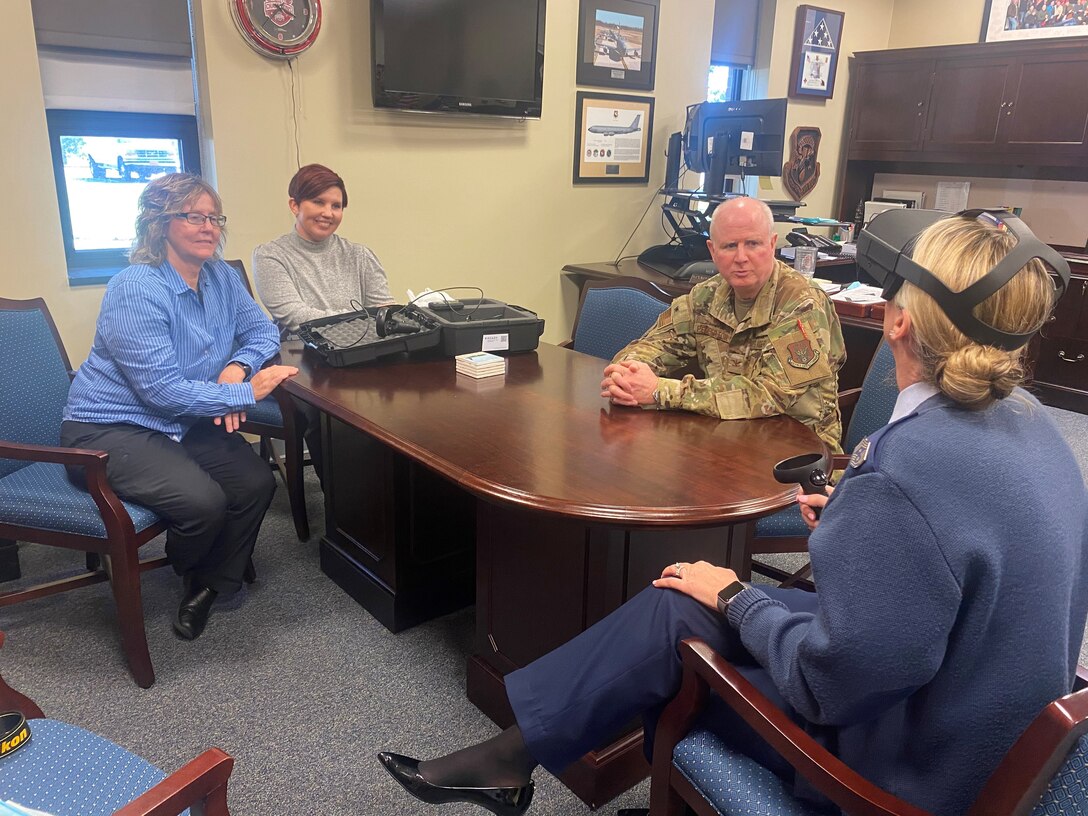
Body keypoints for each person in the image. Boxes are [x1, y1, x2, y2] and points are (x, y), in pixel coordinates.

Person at [378, 208, 1088, 816]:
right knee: (676, 603)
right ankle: (511, 757)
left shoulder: (908, 469)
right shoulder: (1032, 426)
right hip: (970, 721)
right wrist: (854, 526)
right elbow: (933, 576)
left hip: (903, 771)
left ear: (899, 321)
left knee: (680, 645)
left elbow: (829, 683)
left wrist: (741, 598)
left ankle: (543, 760)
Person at [61, 173, 298, 642]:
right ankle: (197, 567)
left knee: (254, 483)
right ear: (160, 224)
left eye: (214, 217)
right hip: (109, 428)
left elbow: (263, 332)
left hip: (181, 419)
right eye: (193, 216)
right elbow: (162, 392)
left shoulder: (221, 276)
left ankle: (208, 585)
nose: (208, 226)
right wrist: (245, 393)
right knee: (203, 503)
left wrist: (235, 367)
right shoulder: (135, 287)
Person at [601, 197, 846, 452]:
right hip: (723, 443)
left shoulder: (801, 304)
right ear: (712, 250)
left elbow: (770, 395)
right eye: (729, 246)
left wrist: (659, 390)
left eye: (752, 244)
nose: (741, 257)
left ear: (772, 244)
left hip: (798, 455)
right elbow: (655, 343)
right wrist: (625, 374)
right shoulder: (705, 296)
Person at [253, 163, 394, 480]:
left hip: (359, 352)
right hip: (303, 358)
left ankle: (388, 493)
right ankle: (346, 511)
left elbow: (383, 310)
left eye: (337, 205)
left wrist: (376, 323)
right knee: (329, 412)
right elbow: (293, 314)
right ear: (294, 205)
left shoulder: (359, 254)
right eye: (318, 202)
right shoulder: (270, 255)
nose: (327, 212)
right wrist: (360, 322)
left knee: (401, 394)